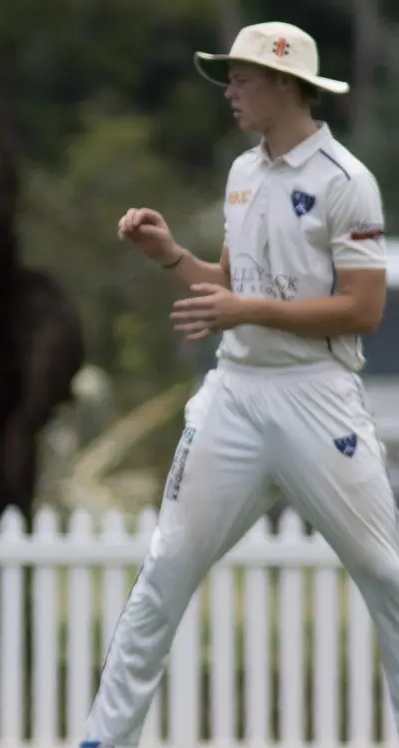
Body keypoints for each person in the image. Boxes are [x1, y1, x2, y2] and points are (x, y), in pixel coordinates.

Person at [79, 22, 399, 747]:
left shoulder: (346, 182)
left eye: (242, 78)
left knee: (388, 575)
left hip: (318, 397)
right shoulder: (243, 172)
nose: (229, 91)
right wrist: (171, 256)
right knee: (164, 569)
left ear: (285, 84)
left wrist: (245, 308)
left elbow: (364, 308)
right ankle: (103, 740)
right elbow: (231, 285)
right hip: (236, 395)